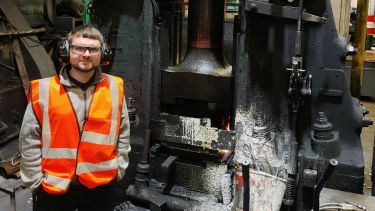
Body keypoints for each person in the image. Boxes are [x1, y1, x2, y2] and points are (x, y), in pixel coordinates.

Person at [19, 25, 131, 211]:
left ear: (103, 53)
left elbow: (123, 131)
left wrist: (119, 168)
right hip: (55, 186)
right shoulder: (45, 90)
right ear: (66, 51)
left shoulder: (114, 87)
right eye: (79, 48)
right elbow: (29, 137)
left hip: (101, 185)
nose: (86, 54)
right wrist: (34, 180)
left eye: (93, 49)